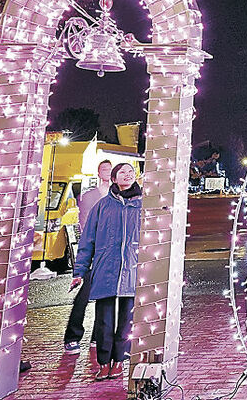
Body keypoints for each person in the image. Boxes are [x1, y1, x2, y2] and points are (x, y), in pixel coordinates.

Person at [70, 163, 141, 381]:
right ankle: (103, 362)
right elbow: (88, 239)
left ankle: (119, 361)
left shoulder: (143, 206)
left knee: (126, 320)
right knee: (104, 321)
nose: (127, 176)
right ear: (113, 178)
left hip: (132, 270)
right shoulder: (102, 206)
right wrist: (79, 270)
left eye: (131, 172)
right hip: (105, 271)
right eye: (122, 173)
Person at [63, 159, 113, 355]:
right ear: (98, 172)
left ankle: (97, 335)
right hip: (94, 250)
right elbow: (85, 224)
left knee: (107, 295)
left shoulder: (118, 196)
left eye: (110, 169)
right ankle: (73, 335)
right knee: (84, 293)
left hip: (112, 252)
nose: (107, 172)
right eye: (104, 169)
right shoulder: (89, 196)